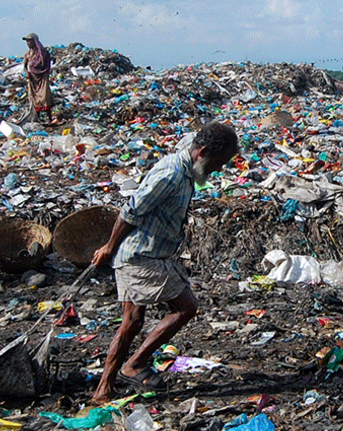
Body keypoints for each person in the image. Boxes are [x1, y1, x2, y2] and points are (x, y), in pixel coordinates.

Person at [90, 123, 240, 404]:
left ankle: (115, 379)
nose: (218, 170)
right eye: (218, 163)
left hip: (153, 255)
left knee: (135, 321)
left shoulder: (184, 173)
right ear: (203, 152)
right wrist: (110, 247)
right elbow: (131, 210)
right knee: (177, 309)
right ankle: (121, 374)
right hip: (139, 258)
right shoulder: (170, 174)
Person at [22, 33, 54, 123]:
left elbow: (48, 64)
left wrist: (45, 72)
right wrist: (27, 73)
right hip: (32, 79)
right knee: (34, 97)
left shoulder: (43, 53)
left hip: (42, 77)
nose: (28, 43)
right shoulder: (28, 54)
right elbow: (25, 66)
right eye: (27, 41)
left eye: (29, 41)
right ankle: (37, 118)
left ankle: (49, 117)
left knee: (44, 96)